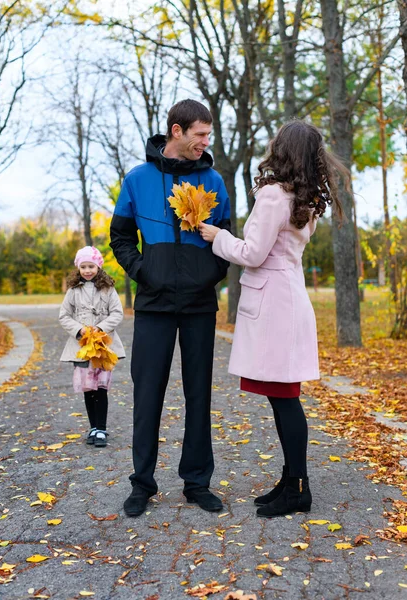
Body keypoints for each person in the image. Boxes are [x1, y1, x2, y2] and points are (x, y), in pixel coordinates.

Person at [199, 120, 347, 518]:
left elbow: (253, 253)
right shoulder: (304, 197)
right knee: (284, 397)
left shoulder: (274, 194)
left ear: (283, 149)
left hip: (274, 304)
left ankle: (298, 487)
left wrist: (218, 238)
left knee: (285, 400)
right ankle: (290, 479)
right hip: (288, 298)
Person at [110, 99, 231, 517]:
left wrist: (209, 274)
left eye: (208, 135)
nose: (205, 142)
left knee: (199, 395)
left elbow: (226, 238)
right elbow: (120, 236)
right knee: (147, 395)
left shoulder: (213, 180)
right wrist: (145, 272)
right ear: (176, 132)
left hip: (199, 304)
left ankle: (197, 483)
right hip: (154, 304)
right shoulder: (138, 179)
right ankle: (142, 483)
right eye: (199, 134)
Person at [59, 246, 125, 448]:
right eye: (84, 267)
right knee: (89, 388)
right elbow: (64, 315)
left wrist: (100, 328)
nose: (87, 271)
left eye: (91, 266)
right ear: (78, 268)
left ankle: (102, 428)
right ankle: (93, 427)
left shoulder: (108, 289)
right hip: (82, 346)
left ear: (98, 267)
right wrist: (80, 330)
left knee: (101, 388)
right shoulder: (73, 291)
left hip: (102, 346)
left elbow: (117, 313)